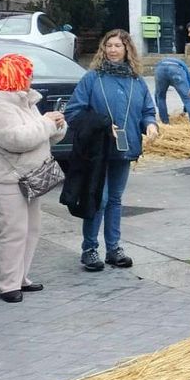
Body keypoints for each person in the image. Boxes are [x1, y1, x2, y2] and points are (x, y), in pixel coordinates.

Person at [0, 54, 66, 302]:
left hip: (28, 176)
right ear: (13, 76)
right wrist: (46, 123)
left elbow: (40, 135)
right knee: (13, 231)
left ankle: (21, 278)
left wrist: (56, 125)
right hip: (4, 179)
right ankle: (8, 284)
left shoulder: (26, 102)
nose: (31, 78)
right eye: (27, 73)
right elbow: (17, 140)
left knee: (31, 229)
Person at [66, 29, 158, 273]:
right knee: (99, 198)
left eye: (118, 45)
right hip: (97, 149)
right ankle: (89, 248)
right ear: (103, 49)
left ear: (128, 49)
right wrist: (103, 125)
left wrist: (150, 124)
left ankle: (114, 248)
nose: (113, 50)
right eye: (109, 45)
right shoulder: (92, 78)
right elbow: (73, 112)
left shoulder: (136, 80)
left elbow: (148, 110)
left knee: (116, 199)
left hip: (125, 149)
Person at [152, 56, 190, 125]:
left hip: (160, 68)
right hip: (176, 68)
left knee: (161, 97)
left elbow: (157, 95)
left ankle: (165, 122)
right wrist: (185, 110)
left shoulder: (164, 62)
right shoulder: (189, 74)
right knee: (187, 99)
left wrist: (159, 107)